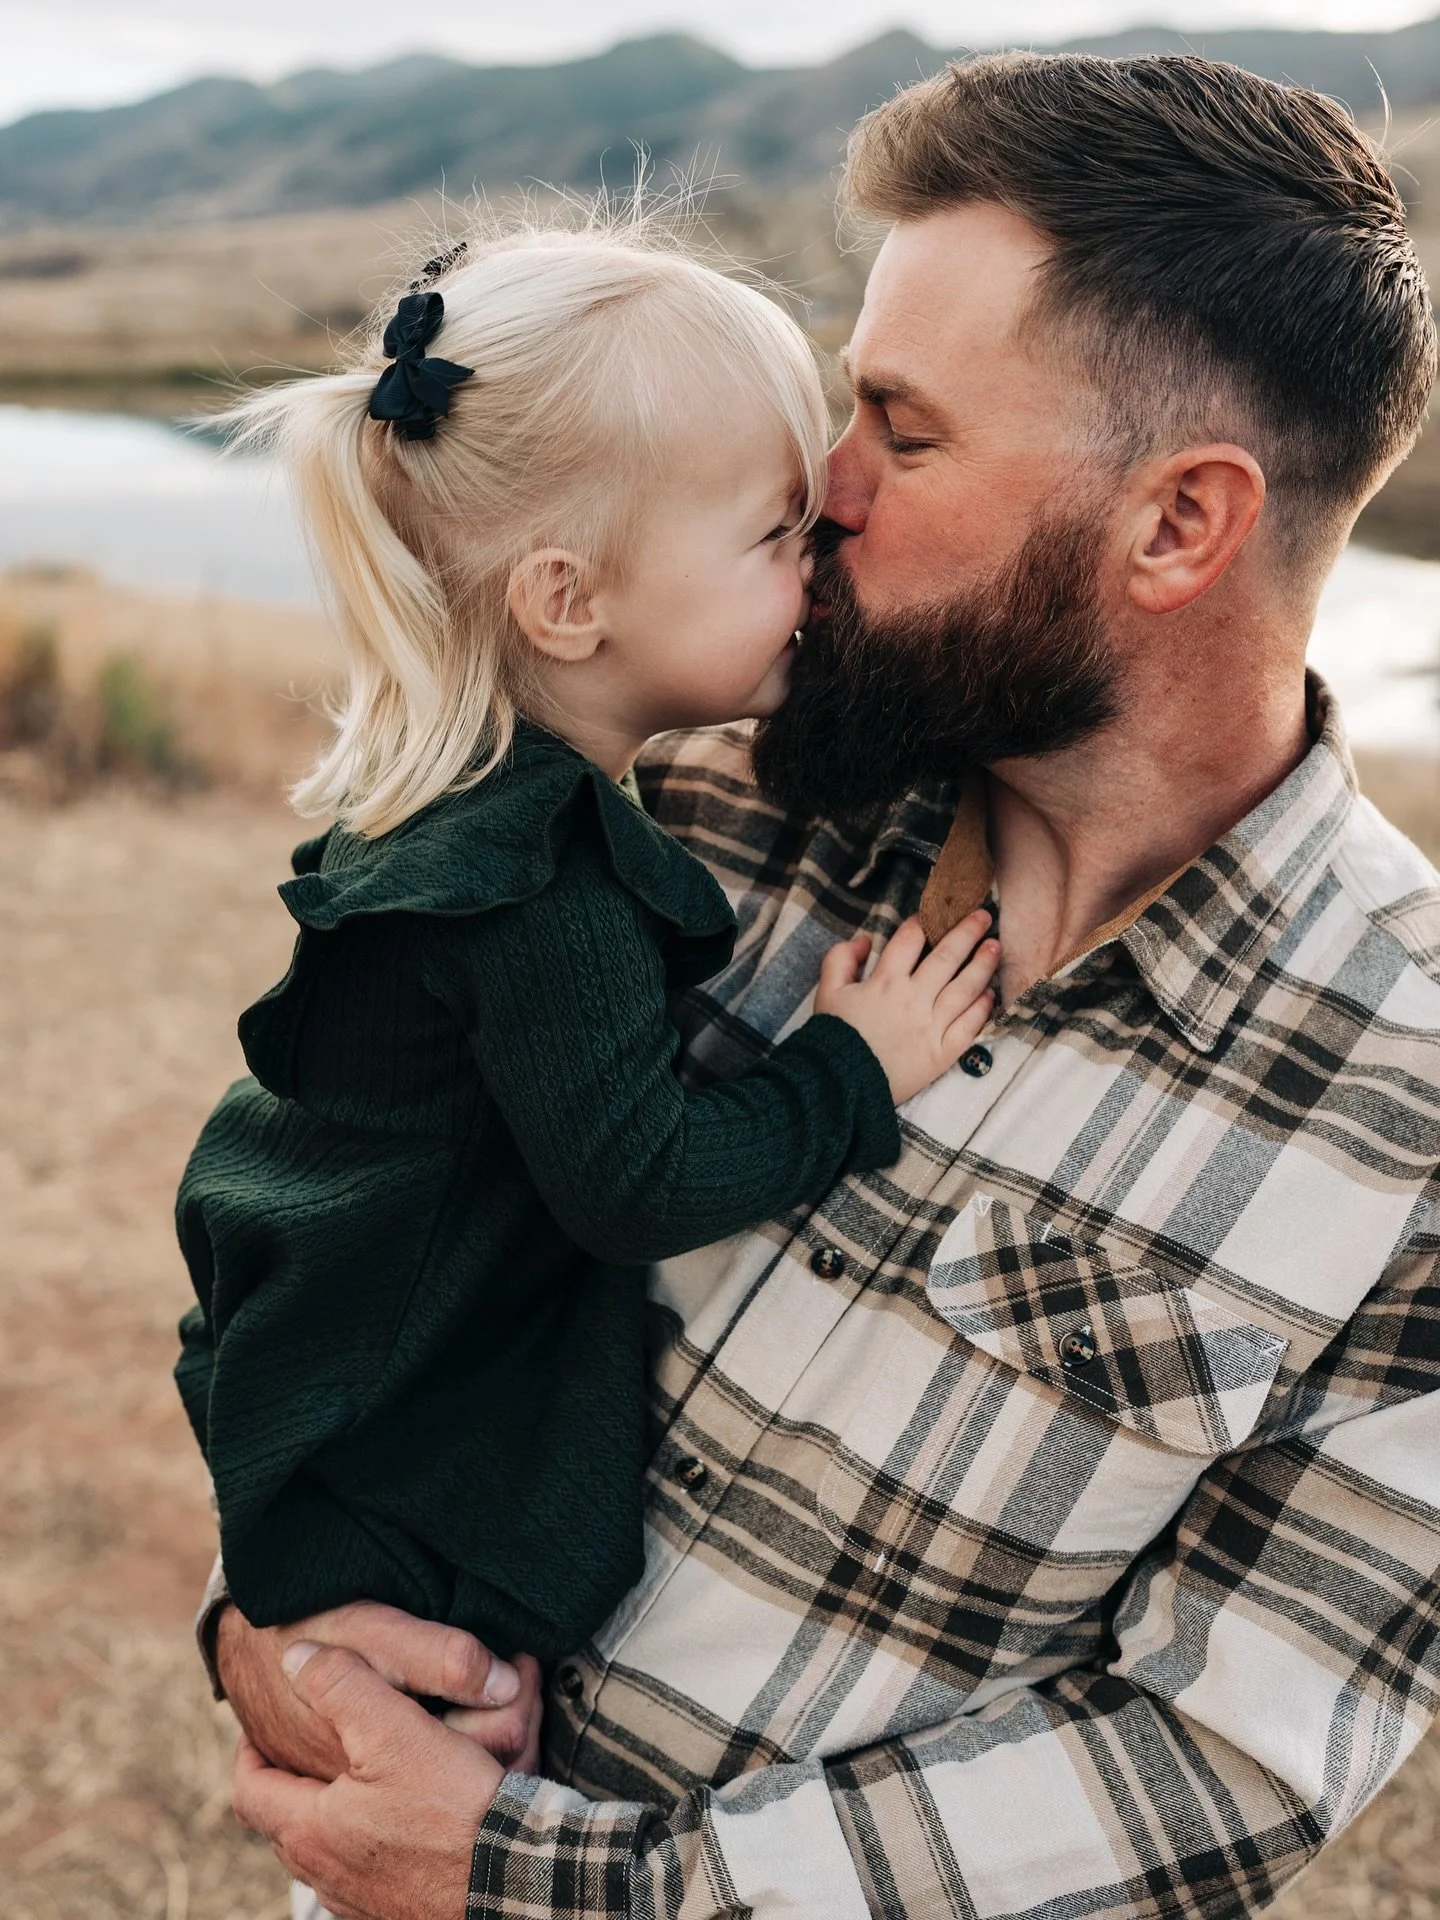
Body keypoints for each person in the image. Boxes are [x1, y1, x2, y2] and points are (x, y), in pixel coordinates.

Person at [210, 51, 1440, 1920]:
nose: (827, 486)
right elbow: (362, 1228)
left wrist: (543, 1886)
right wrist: (276, 1609)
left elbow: (1221, 1764)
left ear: (1180, 525)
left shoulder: (1410, 1094)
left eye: (903, 429)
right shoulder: (675, 807)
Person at [173, 229, 999, 1667]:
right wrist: (851, 1070)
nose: (818, 566)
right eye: (771, 535)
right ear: (569, 600)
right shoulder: (532, 889)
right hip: (408, 1482)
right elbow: (639, 1182)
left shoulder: (468, 800)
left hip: (350, 1395)